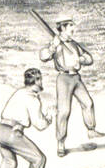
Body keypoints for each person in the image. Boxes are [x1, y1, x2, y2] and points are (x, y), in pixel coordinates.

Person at [38, 19, 100, 156]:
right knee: (64, 111)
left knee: (88, 103)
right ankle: (61, 144)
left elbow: (89, 59)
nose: (74, 29)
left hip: (76, 77)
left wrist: (83, 59)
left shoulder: (74, 44)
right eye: (71, 26)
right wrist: (53, 47)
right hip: (64, 79)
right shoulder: (56, 43)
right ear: (63, 28)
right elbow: (43, 56)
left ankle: (91, 130)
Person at [0, 67, 52, 168]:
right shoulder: (32, 99)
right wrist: (49, 118)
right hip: (12, 133)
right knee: (39, 159)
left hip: (0, 130)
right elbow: (40, 125)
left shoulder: (19, 92)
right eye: (40, 79)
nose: (41, 82)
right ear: (37, 80)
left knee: (9, 161)